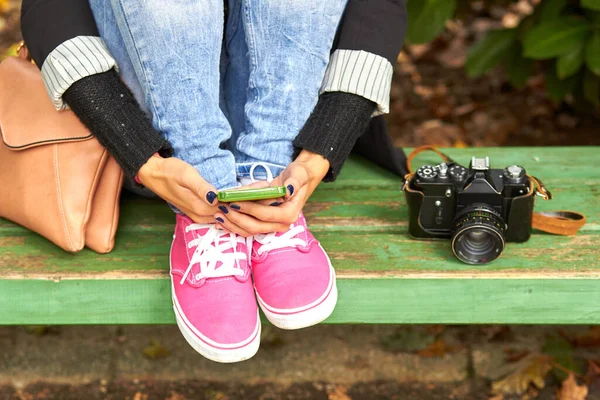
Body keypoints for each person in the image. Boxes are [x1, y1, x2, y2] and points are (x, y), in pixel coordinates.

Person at [20, 0, 407, 363]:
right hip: (154, 131)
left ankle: (266, 187)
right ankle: (206, 211)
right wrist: (137, 150)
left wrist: (323, 146)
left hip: (291, 132)